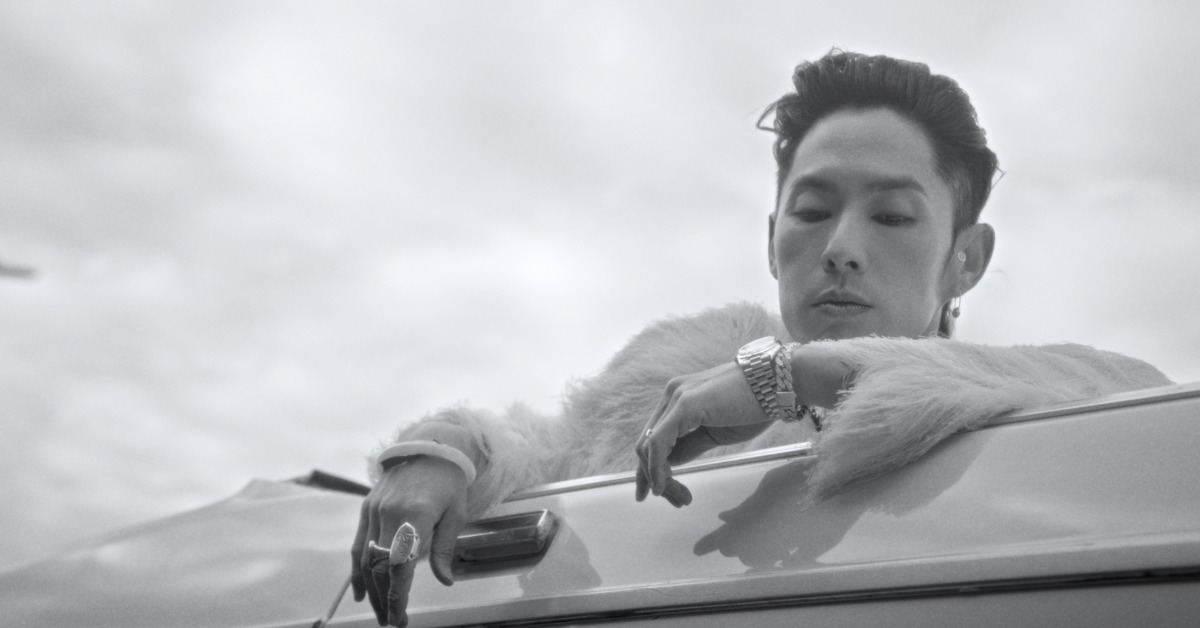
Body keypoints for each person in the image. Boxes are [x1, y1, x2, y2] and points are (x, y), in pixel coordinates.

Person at [349, 49, 1171, 627]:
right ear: (772, 238)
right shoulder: (684, 369)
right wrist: (445, 453)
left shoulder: (1038, 404)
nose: (841, 246)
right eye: (812, 211)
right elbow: (546, 451)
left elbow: (1151, 410)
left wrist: (796, 375)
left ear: (967, 260)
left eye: (891, 216)